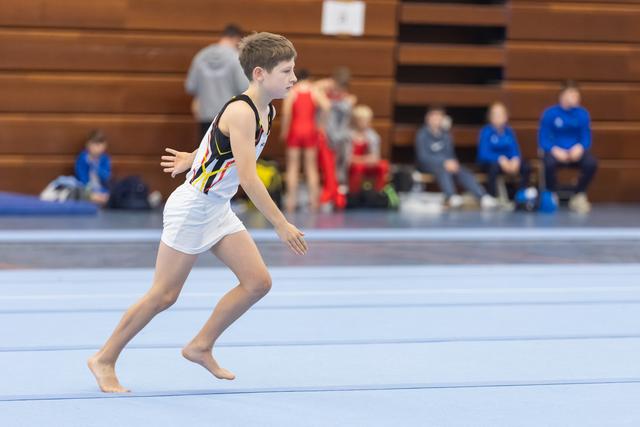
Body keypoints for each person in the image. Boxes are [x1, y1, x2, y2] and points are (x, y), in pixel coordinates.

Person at [88, 32, 307, 393]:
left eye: (293, 70)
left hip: (216, 207)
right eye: (286, 71)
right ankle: (104, 358)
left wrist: (196, 158)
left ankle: (200, 345)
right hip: (193, 209)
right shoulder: (242, 111)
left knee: (258, 282)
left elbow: (217, 142)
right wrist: (281, 224)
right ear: (259, 74)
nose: (293, 78)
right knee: (163, 295)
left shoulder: (266, 108)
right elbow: (250, 179)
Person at [415, 106, 497, 210]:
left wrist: (453, 163)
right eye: (434, 117)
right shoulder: (422, 134)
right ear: (428, 118)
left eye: (439, 117)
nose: (437, 119)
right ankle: (451, 196)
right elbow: (423, 157)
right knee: (443, 169)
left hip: (448, 165)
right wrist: (443, 162)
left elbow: (451, 154)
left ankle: (482, 196)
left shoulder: (446, 135)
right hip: (428, 165)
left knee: (462, 170)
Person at [539, 80, 598, 213]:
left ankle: (578, 194)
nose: (576, 98)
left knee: (591, 163)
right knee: (548, 163)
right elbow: (543, 139)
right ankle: (551, 194)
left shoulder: (583, 114)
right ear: (563, 95)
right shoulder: (550, 114)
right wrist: (555, 150)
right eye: (572, 94)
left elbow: (586, 137)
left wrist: (580, 147)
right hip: (556, 152)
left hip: (575, 152)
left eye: (577, 95)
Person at [185, 24, 249, 139]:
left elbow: (190, 86)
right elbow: (244, 87)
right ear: (237, 39)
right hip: (229, 116)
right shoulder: (236, 58)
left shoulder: (201, 56)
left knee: (206, 153)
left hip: (205, 115)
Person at [280, 69, 330, 213]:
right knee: (311, 167)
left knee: (293, 167)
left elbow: (287, 113)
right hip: (310, 130)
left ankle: (291, 201)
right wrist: (320, 124)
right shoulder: (314, 90)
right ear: (309, 78)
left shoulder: (293, 91)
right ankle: (314, 202)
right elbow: (327, 106)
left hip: (295, 130)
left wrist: (285, 130)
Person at [477, 102, 531, 199]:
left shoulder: (509, 131)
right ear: (490, 117)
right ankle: (492, 197)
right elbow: (483, 154)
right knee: (493, 167)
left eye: (501, 114)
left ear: (506, 116)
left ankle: (521, 194)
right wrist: (500, 159)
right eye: (495, 114)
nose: (498, 117)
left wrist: (515, 159)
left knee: (525, 165)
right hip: (491, 163)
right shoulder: (486, 131)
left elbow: (515, 149)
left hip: (508, 163)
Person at [347, 105, 389, 193]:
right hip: (352, 166)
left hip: (366, 164)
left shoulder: (373, 136)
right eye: (362, 120)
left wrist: (360, 159)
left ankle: (379, 192)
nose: (365, 122)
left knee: (383, 165)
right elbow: (348, 159)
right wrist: (366, 159)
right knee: (358, 168)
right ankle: (354, 193)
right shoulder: (348, 136)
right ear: (356, 121)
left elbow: (375, 157)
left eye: (367, 120)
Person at [74, 129, 111, 206]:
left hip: (101, 188)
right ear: (87, 145)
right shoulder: (82, 158)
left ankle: (99, 200)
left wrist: (95, 166)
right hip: (87, 187)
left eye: (99, 145)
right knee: (85, 194)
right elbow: (81, 176)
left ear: (104, 146)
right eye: (93, 144)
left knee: (108, 195)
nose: (96, 148)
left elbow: (106, 177)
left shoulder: (105, 159)